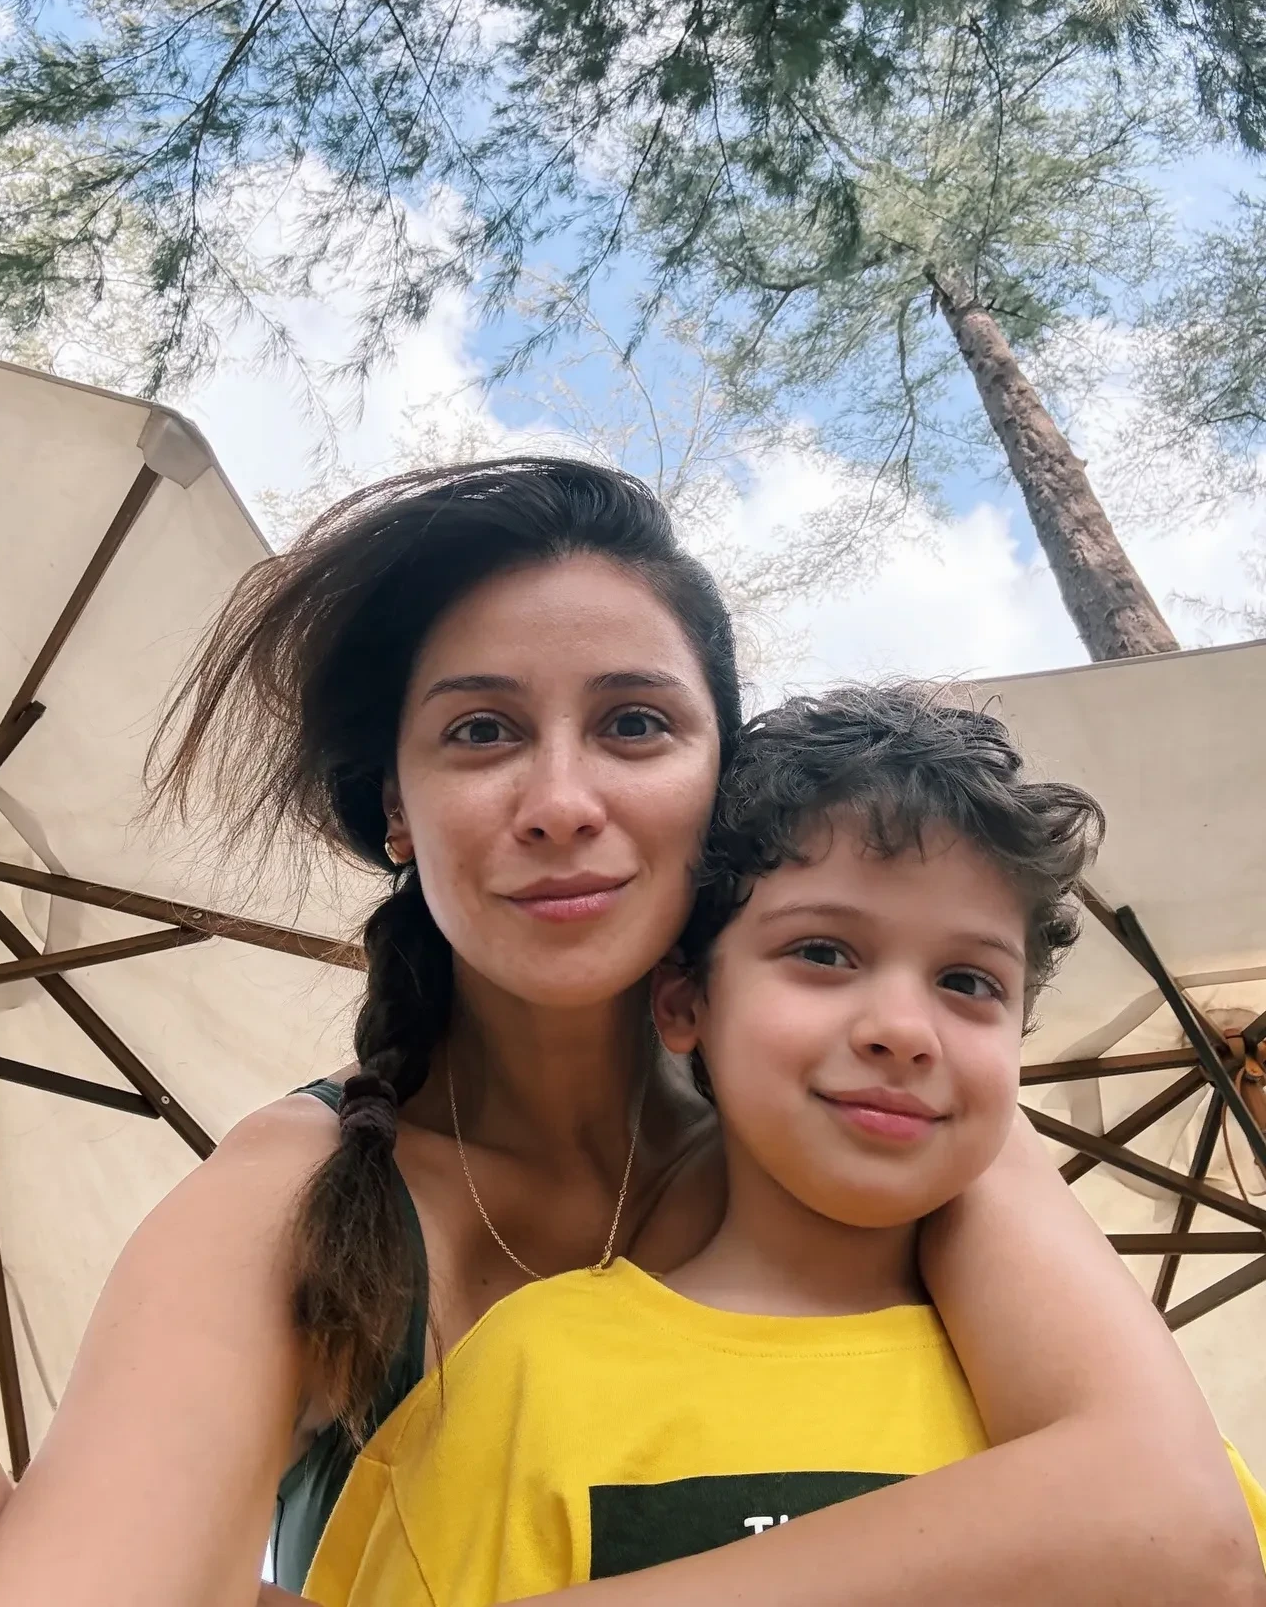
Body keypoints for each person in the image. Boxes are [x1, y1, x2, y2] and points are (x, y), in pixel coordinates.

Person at [0, 460, 1262, 1607]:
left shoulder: (878, 1114)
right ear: (396, 811)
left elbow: (1173, 1519)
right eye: (481, 733)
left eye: (635, 725)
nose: (563, 803)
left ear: (723, 780)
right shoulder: (304, 1192)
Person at [305, 686, 1266, 1605]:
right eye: (823, 953)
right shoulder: (517, 1389)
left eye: (969, 982)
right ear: (685, 1001)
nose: (905, 1030)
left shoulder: (1140, 1438)